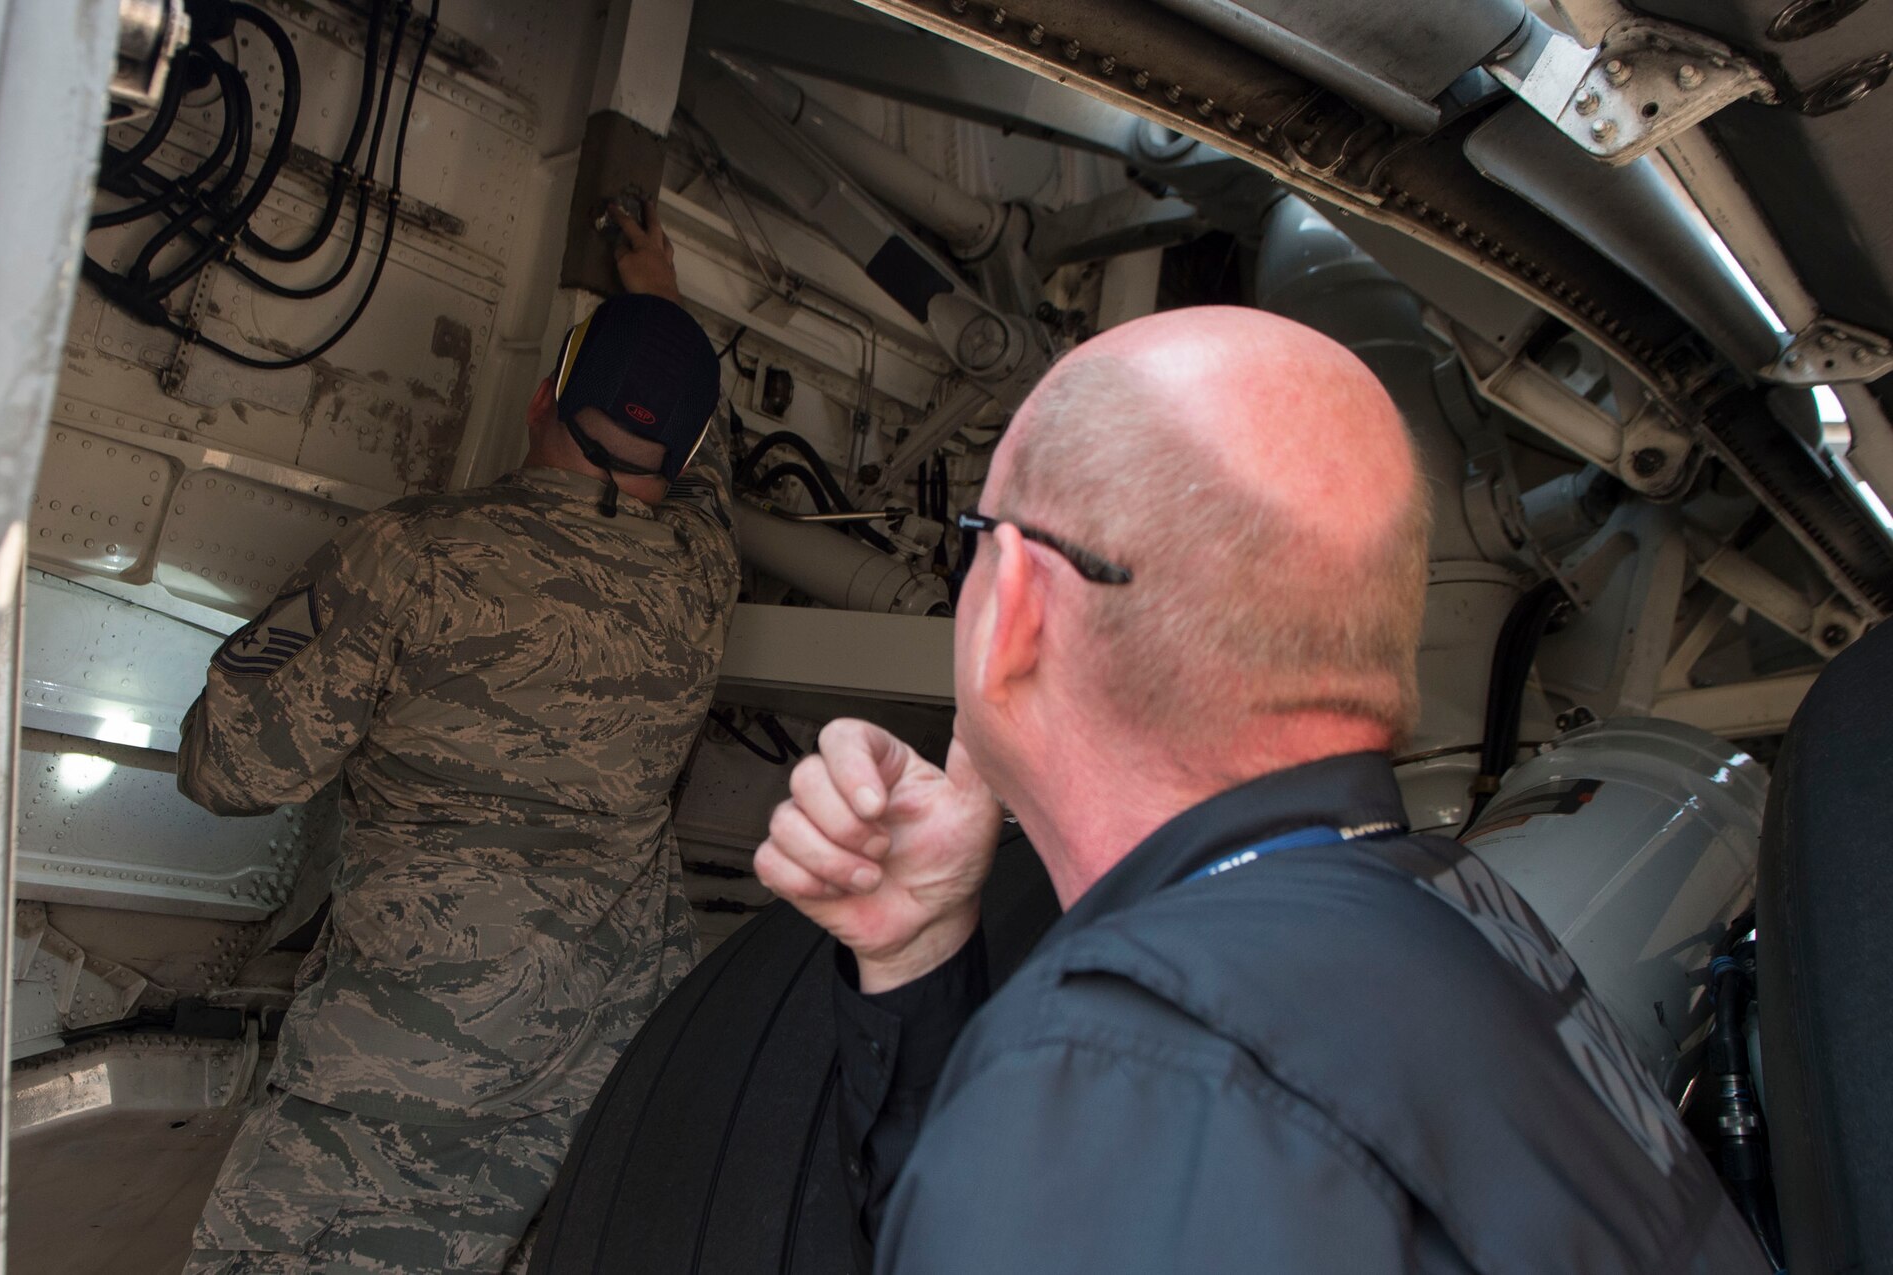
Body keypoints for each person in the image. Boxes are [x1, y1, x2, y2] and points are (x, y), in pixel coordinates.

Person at [755, 308, 1765, 1273]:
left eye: (972, 538)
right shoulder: (1471, 923)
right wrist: (920, 953)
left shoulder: (1129, 1065)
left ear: (1014, 603)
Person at [178, 202, 737, 1274]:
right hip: (586, 1092)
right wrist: (661, 303)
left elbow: (235, 769)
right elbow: (707, 477)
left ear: (540, 399)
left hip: (393, 1089)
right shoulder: (701, 578)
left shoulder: (408, 557)